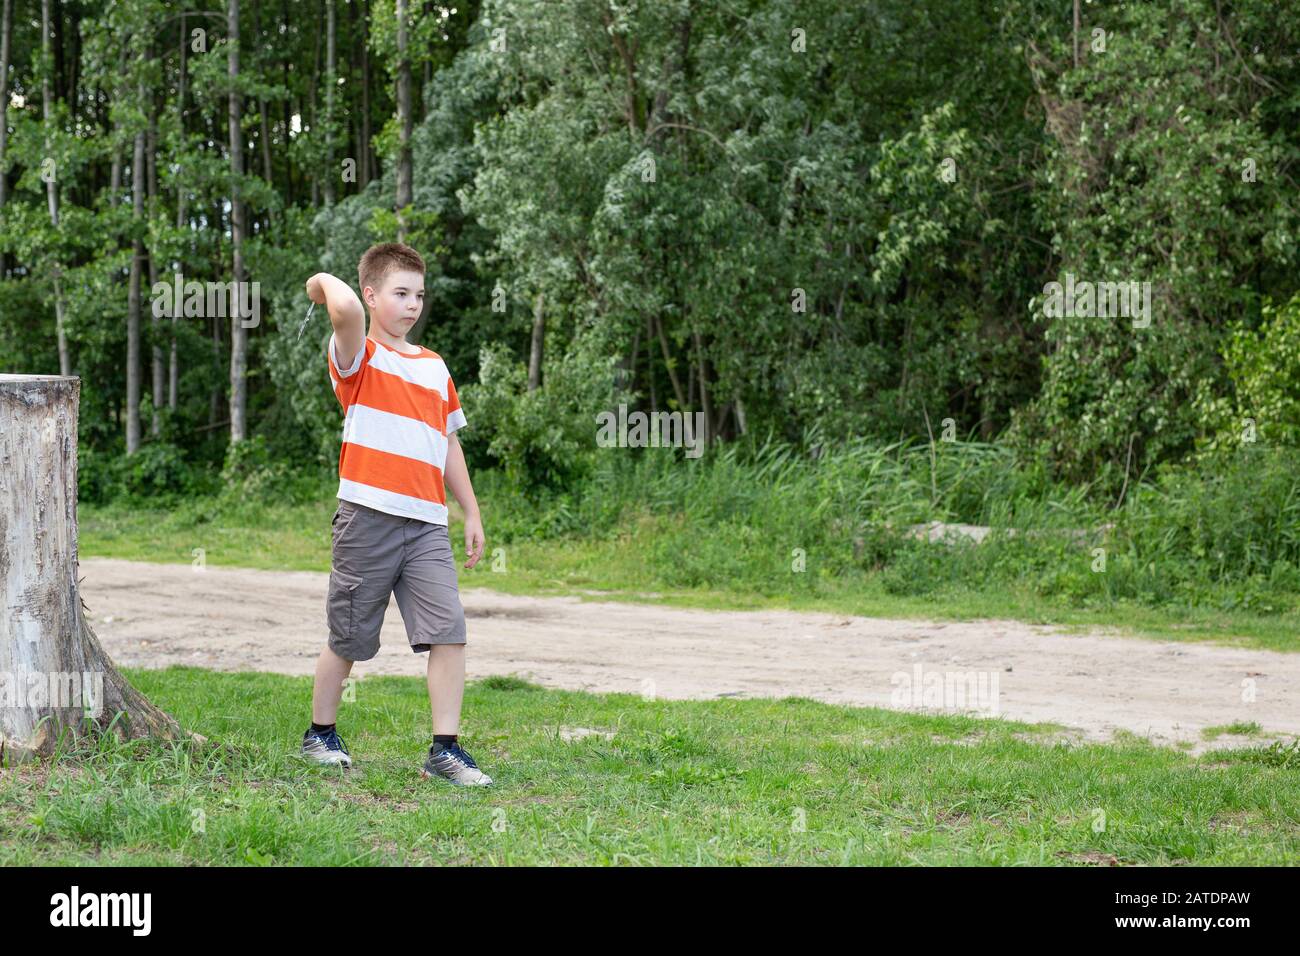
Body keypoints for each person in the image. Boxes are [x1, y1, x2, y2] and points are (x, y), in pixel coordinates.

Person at [300, 242, 492, 786]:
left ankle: (445, 750)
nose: (413, 305)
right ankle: (320, 733)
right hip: (367, 517)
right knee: (349, 637)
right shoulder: (358, 357)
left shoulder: (434, 368)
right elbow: (343, 312)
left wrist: (470, 511)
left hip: (428, 522)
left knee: (449, 631)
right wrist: (319, 278)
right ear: (371, 294)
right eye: (401, 293)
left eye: (419, 295)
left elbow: (449, 444)